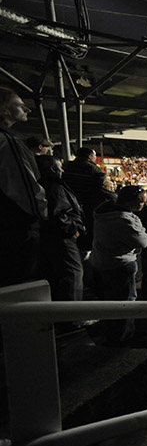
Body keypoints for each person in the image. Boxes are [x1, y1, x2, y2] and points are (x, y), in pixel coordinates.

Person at [0, 86, 47, 286]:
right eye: (20, 106)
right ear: (3, 109)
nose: (26, 110)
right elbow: (27, 190)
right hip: (16, 228)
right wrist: (43, 216)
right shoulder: (7, 142)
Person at [90, 185, 147, 344]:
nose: (145, 205)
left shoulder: (102, 211)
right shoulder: (124, 219)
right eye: (142, 202)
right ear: (131, 203)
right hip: (119, 265)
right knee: (125, 302)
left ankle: (110, 329)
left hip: (99, 261)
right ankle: (123, 337)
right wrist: (140, 226)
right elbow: (143, 241)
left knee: (107, 300)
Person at [36, 155, 84, 302]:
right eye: (60, 167)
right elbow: (59, 215)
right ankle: (73, 319)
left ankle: (62, 316)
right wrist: (72, 230)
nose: (62, 170)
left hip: (52, 237)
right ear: (52, 169)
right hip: (63, 238)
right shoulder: (54, 187)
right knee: (73, 273)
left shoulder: (44, 185)